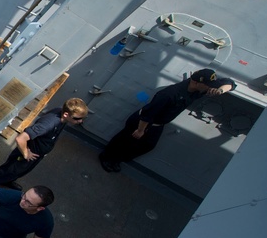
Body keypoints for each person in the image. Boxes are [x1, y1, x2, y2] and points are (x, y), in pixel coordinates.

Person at [99, 69, 235, 172]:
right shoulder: (170, 94)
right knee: (126, 140)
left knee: (146, 146)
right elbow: (149, 113)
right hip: (143, 122)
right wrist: (141, 130)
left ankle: (117, 160)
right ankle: (107, 157)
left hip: (157, 125)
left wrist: (220, 90)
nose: (209, 87)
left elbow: (230, 83)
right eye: (207, 85)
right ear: (196, 82)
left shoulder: (198, 90)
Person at [0, 98, 88, 189]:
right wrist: (25, 153)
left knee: (20, 171)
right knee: (10, 170)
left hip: (38, 153)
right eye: (77, 119)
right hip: (29, 152)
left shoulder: (62, 116)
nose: (80, 121)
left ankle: (7, 181)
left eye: (82, 118)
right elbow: (21, 139)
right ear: (66, 114)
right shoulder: (48, 124)